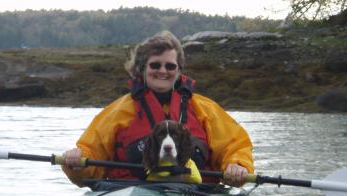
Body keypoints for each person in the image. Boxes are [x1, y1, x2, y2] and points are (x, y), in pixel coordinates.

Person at [61, 30, 253, 187]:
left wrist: (237, 166)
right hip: (131, 195)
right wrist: (77, 160)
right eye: (155, 65)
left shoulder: (204, 109)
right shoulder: (118, 112)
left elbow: (235, 145)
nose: (162, 71)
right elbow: (90, 154)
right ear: (142, 68)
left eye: (170, 66)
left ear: (178, 71)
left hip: (198, 195)